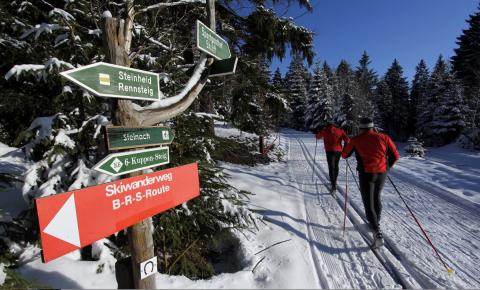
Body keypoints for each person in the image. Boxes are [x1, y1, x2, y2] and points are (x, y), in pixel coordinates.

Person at [341, 118, 400, 248]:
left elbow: (345, 155)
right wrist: (387, 166)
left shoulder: (356, 139)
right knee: (376, 197)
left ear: (361, 128)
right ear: (373, 127)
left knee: (368, 202)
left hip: (366, 173)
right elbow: (395, 155)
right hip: (381, 172)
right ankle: (375, 222)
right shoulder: (384, 137)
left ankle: (376, 232)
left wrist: (345, 146)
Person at [315, 122, 350, 193]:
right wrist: (345, 148)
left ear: (326, 126)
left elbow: (317, 137)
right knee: (336, 166)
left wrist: (318, 130)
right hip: (338, 151)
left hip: (329, 151)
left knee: (331, 167)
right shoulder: (340, 130)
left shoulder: (324, 131)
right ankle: (335, 181)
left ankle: (333, 185)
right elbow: (347, 140)